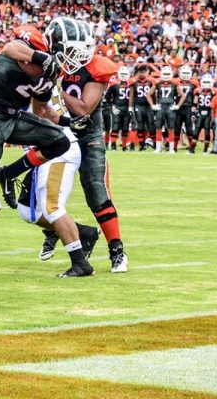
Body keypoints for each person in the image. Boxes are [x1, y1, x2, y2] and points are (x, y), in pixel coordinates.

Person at [46, 18, 129, 273]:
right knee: (44, 195)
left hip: (88, 135)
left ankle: (117, 251)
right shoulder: (47, 62)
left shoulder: (96, 67)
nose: (78, 56)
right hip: (57, 133)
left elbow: (84, 108)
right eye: (71, 50)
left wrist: (56, 86)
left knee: (96, 190)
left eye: (82, 49)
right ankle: (62, 233)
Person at [0, 22, 67, 209]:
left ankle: (8, 173)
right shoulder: (28, 49)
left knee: (60, 142)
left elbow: (42, 111)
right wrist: (42, 57)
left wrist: (71, 122)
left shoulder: (49, 76)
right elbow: (11, 47)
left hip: (13, 119)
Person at [16, 85, 98, 276]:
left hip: (56, 150)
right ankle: (84, 233)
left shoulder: (28, 82)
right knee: (28, 211)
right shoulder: (37, 80)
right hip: (44, 150)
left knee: (52, 207)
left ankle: (80, 263)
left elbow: (46, 113)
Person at [149, 65, 179, 154]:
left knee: (171, 128)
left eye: (167, 73)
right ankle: (158, 148)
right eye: (164, 73)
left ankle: (171, 149)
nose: (166, 75)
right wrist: (152, 105)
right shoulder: (157, 83)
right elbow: (148, 95)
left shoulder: (174, 84)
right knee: (158, 128)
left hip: (169, 106)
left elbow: (182, 96)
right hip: (161, 106)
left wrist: (177, 105)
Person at [174, 64, 198, 154]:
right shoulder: (176, 81)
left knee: (189, 129)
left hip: (188, 107)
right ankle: (174, 148)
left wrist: (194, 107)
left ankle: (191, 148)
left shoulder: (194, 83)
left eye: (187, 73)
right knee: (177, 128)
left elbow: (196, 96)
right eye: (183, 73)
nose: (185, 75)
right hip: (178, 108)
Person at [133, 64, 156, 151]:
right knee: (140, 126)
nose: (142, 74)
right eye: (140, 72)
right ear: (138, 73)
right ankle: (141, 144)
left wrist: (154, 104)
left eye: (143, 72)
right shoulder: (134, 82)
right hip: (138, 105)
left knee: (151, 125)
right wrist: (131, 106)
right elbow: (132, 95)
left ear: (147, 72)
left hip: (148, 106)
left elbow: (154, 95)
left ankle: (154, 143)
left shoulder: (151, 81)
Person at [111, 66, 133, 151]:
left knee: (125, 128)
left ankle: (124, 146)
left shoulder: (131, 84)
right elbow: (108, 96)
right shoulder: (115, 84)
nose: (123, 76)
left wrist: (131, 108)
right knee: (115, 126)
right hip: (117, 107)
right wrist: (112, 106)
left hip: (127, 108)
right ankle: (113, 145)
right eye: (122, 74)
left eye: (125, 74)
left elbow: (133, 97)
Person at [195, 74, 215, 154]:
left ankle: (205, 149)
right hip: (200, 113)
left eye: (208, 82)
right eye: (205, 82)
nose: (206, 84)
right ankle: (191, 149)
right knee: (196, 131)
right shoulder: (198, 91)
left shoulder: (214, 91)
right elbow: (195, 102)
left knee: (207, 131)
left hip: (209, 114)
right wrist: (194, 113)